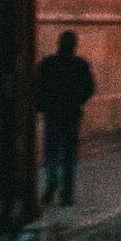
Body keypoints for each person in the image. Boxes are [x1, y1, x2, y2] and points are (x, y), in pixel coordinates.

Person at [36, 29, 96, 206]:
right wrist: (78, 100)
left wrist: (42, 105)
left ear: (58, 44)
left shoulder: (48, 63)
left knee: (51, 151)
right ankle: (67, 194)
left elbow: (38, 86)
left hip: (53, 113)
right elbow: (90, 88)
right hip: (72, 113)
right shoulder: (80, 64)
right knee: (70, 154)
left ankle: (52, 178)